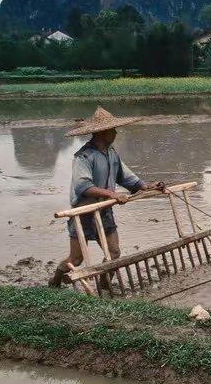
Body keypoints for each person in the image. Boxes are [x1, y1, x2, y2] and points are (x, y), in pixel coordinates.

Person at [49, 107, 165, 287]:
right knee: (77, 258)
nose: (116, 132)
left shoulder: (112, 154)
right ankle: (56, 280)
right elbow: (83, 186)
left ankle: (104, 286)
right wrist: (112, 194)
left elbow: (127, 178)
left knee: (114, 253)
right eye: (112, 129)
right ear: (102, 132)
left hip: (104, 211)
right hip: (83, 213)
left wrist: (148, 186)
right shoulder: (84, 157)